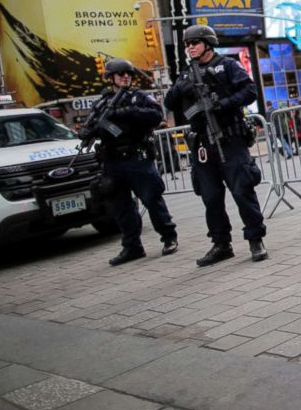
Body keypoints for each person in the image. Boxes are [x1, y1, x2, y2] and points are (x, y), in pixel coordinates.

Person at [164, 25, 268, 266]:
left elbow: (250, 91)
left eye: (195, 43)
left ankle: (255, 239)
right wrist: (181, 86)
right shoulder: (186, 74)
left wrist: (223, 103)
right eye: (187, 44)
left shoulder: (228, 65)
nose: (190, 47)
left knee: (242, 190)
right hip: (202, 144)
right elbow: (170, 102)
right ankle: (221, 244)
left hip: (229, 140)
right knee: (210, 197)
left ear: (208, 43)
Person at [80, 58, 178, 266]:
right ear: (110, 78)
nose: (126, 77)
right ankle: (132, 246)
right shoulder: (103, 102)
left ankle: (169, 237)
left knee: (152, 199)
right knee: (121, 205)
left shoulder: (138, 98)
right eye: (120, 73)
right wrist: (87, 131)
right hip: (113, 161)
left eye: (129, 74)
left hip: (137, 157)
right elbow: (93, 124)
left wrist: (129, 112)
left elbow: (156, 115)